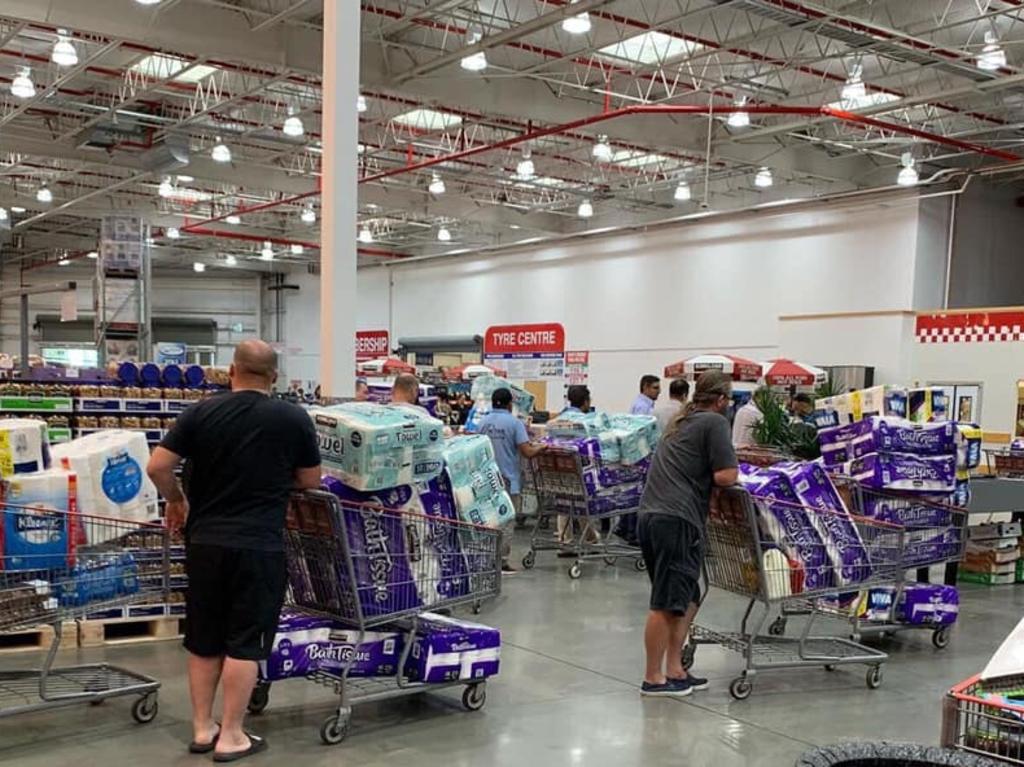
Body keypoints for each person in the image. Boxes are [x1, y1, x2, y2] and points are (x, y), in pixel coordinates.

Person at [146, 340, 322, 760]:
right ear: (274, 377)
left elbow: (157, 466)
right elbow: (311, 480)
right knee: (245, 641)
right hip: (258, 545)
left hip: (205, 543)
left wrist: (176, 499)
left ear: (231, 370)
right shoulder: (292, 418)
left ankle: (204, 729)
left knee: (204, 638)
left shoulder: (201, 412)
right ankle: (233, 736)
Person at [638, 371, 738, 697]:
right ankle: (653, 678)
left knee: (687, 596)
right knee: (666, 601)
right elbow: (725, 475)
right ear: (721, 399)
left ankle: (674, 668)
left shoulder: (683, 421)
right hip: (676, 518)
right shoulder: (714, 423)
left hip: (652, 514)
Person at [476, 388, 547, 573]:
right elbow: (527, 452)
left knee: (489, 521)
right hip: (508, 480)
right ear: (509, 404)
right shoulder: (515, 423)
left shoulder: (482, 423)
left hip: (485, 480)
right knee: (506, 521)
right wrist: (541, 447)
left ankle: (486, 558)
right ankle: (502, 561)